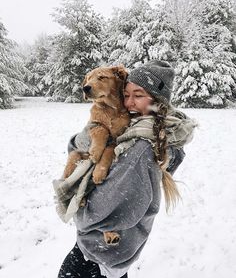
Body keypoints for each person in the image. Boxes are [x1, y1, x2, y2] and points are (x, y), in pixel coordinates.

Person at [57, 60, 197, 278]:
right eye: (127, 94)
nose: (129, 103)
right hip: (116, 253)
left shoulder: (142, 147)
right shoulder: (144, 129)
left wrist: (77, 212)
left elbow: (103, 210)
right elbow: (77, 145)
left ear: (157, 100)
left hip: (98, 257)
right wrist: (87, 139)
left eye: (138, 95)